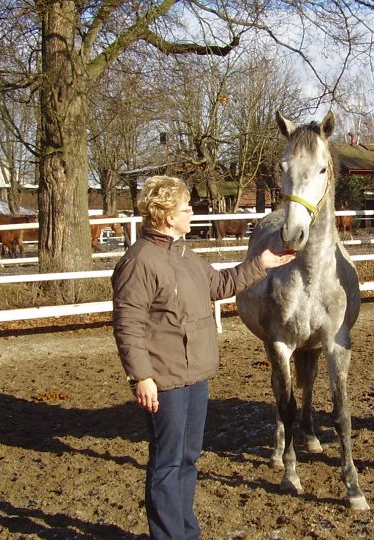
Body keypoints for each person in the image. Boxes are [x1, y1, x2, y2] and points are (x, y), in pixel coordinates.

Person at [111, 176, 295, 539]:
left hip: (195, 374)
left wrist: (262, 263)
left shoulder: (184, 255)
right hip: (164, 379)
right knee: (167, 462)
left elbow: (221, 285)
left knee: (189, 458)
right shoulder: (139, 262)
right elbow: (127, 325)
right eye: (185, 208)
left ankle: (185, 532)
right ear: (167, 217)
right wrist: (141, 376)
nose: (191, 213)